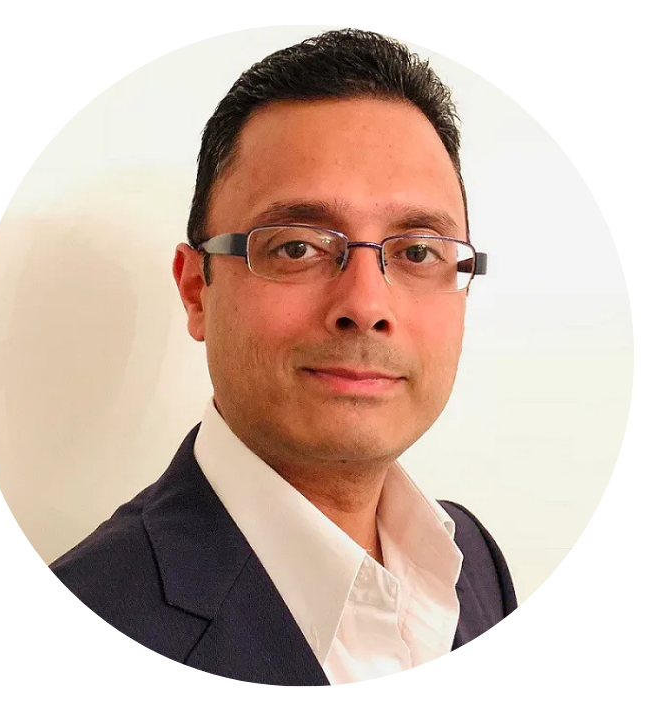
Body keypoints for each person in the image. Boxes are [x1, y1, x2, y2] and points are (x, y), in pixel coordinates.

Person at [50, 28, 517, 685]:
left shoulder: (472, 559)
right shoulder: (103, 603)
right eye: (297, 246)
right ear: (197, 290)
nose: (366, 304)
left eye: (417, 251)